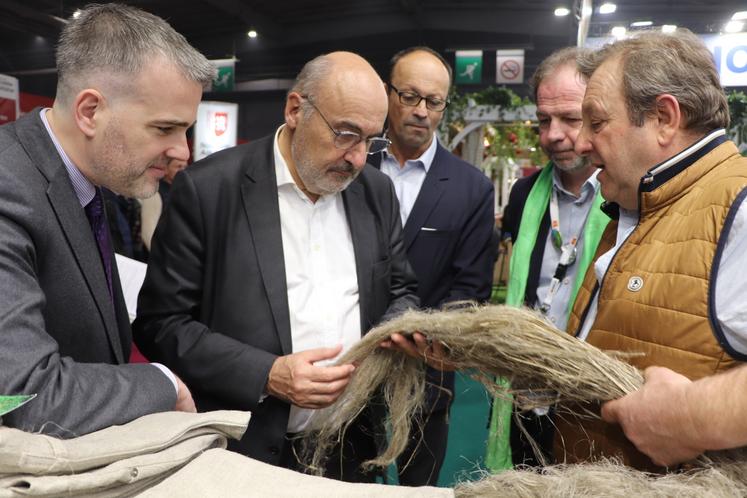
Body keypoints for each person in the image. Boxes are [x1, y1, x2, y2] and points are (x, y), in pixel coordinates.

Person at [133, 52, 420, 481]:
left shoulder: (375, 192)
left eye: (371, 140)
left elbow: (400, 290)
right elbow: (161, 325)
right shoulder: (210, 191)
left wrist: (401, 327)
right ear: (294, 109)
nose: (358, 158)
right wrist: (266, 374)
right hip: (242, 451)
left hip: (348, 450)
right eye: (345, 134)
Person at [0, 3, 214, 435]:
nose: (183, 152)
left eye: (186, 130)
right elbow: (20, 398)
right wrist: (162, 382)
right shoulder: (9, 188)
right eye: (164, 129)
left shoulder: (90, 181)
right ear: (90, 112)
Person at [558, 29, 747, 470]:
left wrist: (693, 416)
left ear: (664, 117)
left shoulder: (738, 207)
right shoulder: (641, 201)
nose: (581, 143)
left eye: (597, 122)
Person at [367, 46, 496, 485]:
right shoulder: (351, 167)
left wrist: (425, 338)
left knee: (419, 480)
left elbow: (471, 286)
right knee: (346, 476)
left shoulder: (471, 188)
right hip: (349, 363)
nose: (422, 111)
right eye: (410, 96)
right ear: (387, 94)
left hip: (427, 366)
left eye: (434, 101)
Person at [487, 47, 610, 469]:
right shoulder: (525, 196)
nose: (552, 135)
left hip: (589, 403)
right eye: (544, 120)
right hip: (522, 396)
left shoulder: (626, 199)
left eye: (570, 119)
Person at [139, 157, 188, 251]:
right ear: (166, 169)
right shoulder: (155, 193)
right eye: (178, 166)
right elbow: (148, 233)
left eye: (185, 167)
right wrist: (161, 257)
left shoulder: (181, 190)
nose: (183, 170)